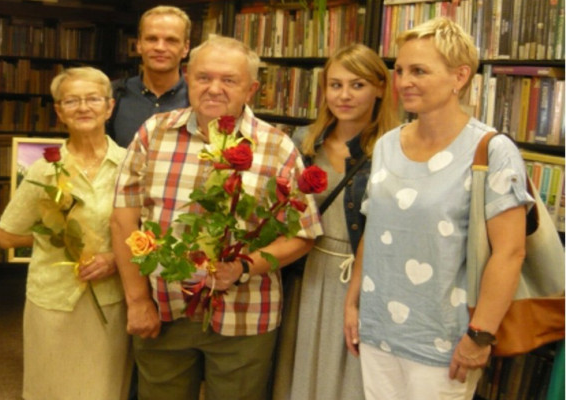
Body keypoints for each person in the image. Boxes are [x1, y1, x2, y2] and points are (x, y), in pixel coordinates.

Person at [110, 35, 323, 400]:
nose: (214, 89)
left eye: (229, 80)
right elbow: (123, 220)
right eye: (203, 77)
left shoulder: (276, 147)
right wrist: (137, 300)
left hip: (246, 314)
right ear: (187, 78)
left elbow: (303, 236)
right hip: (163, 309)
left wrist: (243, 267)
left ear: (251, 88)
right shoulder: (153, 134)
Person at [343, 17, 532, 400]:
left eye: (419, 71)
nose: (404, 81)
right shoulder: (386, 145)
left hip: (445, 341)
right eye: (399, 70)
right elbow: (374, 230)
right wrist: (353, 303)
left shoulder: (492, 151)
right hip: (378, 329)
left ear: (459, 77)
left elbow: (510, 253)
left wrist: (480, 335)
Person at [0, 67, 131, 400]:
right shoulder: (43, 169)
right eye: (72, 101)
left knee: (104, 389)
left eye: (92, 99)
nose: (83, 107)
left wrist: (115, 258)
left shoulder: (131, 166)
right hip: (53, 299)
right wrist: (57, 241)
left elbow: (148, 234)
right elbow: (7, 235)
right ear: (59, 112)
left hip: (111, 299)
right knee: (51, 389)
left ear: (109, 107)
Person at [272, 43, 398, 400]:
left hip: (360, 275)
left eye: (357, 85)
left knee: (349, 376)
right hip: (305, 271)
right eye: (335, 85)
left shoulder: (393, 149)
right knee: (296, 365)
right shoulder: (304, 142)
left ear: (379, 88)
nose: (344, 95)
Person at [107, 5, 191, 147]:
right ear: (139, 44)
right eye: (152, 39)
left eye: (171, 40)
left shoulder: (198, 99)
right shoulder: (114, 94)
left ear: (185, 48)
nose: (160, 47)